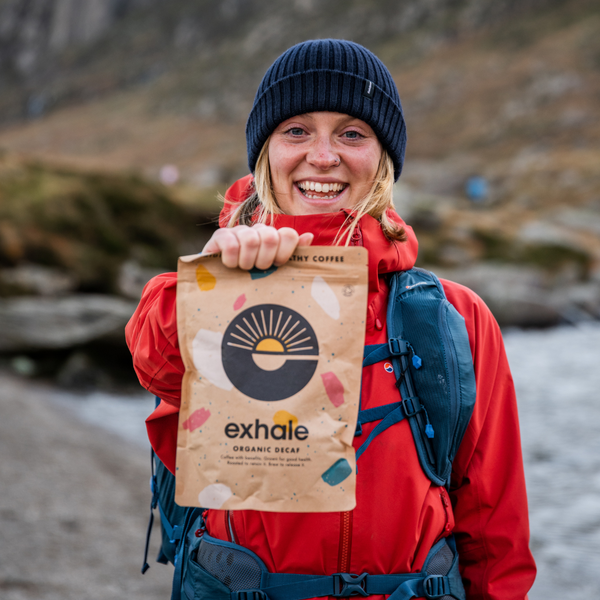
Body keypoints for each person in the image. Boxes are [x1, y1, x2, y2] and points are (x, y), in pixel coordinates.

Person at [126, 39, 536, 599]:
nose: (323, 156)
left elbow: (495, 528)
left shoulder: (456, 318)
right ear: (265, 152)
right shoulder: (215, 286)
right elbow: (155, 361)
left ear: (384, 157)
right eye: (296, 131)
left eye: (352, 133)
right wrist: (214, 280)